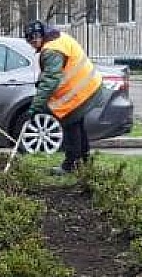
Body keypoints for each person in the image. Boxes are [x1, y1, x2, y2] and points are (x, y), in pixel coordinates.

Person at [23, 20, 111, 174]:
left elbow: (50, 80)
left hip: (78, 93)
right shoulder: (59, 39)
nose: (31, 45)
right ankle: (83, 162)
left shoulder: (51, 50)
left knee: (71, 127)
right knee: (77, 127)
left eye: (32, 41)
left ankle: (71, 165)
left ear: (39, 36)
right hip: (88, 86)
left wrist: (35, 107)